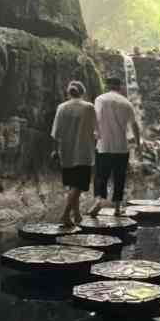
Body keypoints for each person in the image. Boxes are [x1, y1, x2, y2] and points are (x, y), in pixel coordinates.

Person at [89, 76, 141, 216]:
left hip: (104, 145)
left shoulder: (100, 99)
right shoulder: (126, 103)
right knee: (119, 177)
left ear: (107, 86)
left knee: (101, 175)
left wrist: (95, 135)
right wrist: (138, 145)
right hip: (121, 147)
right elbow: (135, 126)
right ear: (120, 87)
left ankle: (99, 200)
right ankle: (117, 208)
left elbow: (95, 120)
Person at [50, 80, 98, 226]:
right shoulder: (89, 107)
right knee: (78, 186)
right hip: (83, 152)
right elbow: (96, 131)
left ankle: (77, 215)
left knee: (73, 185)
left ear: (68, 93)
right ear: (83, 92)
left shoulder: (61, 107)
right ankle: (65, 215)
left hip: (66, 152)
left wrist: (54, 150)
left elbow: (55, 133)